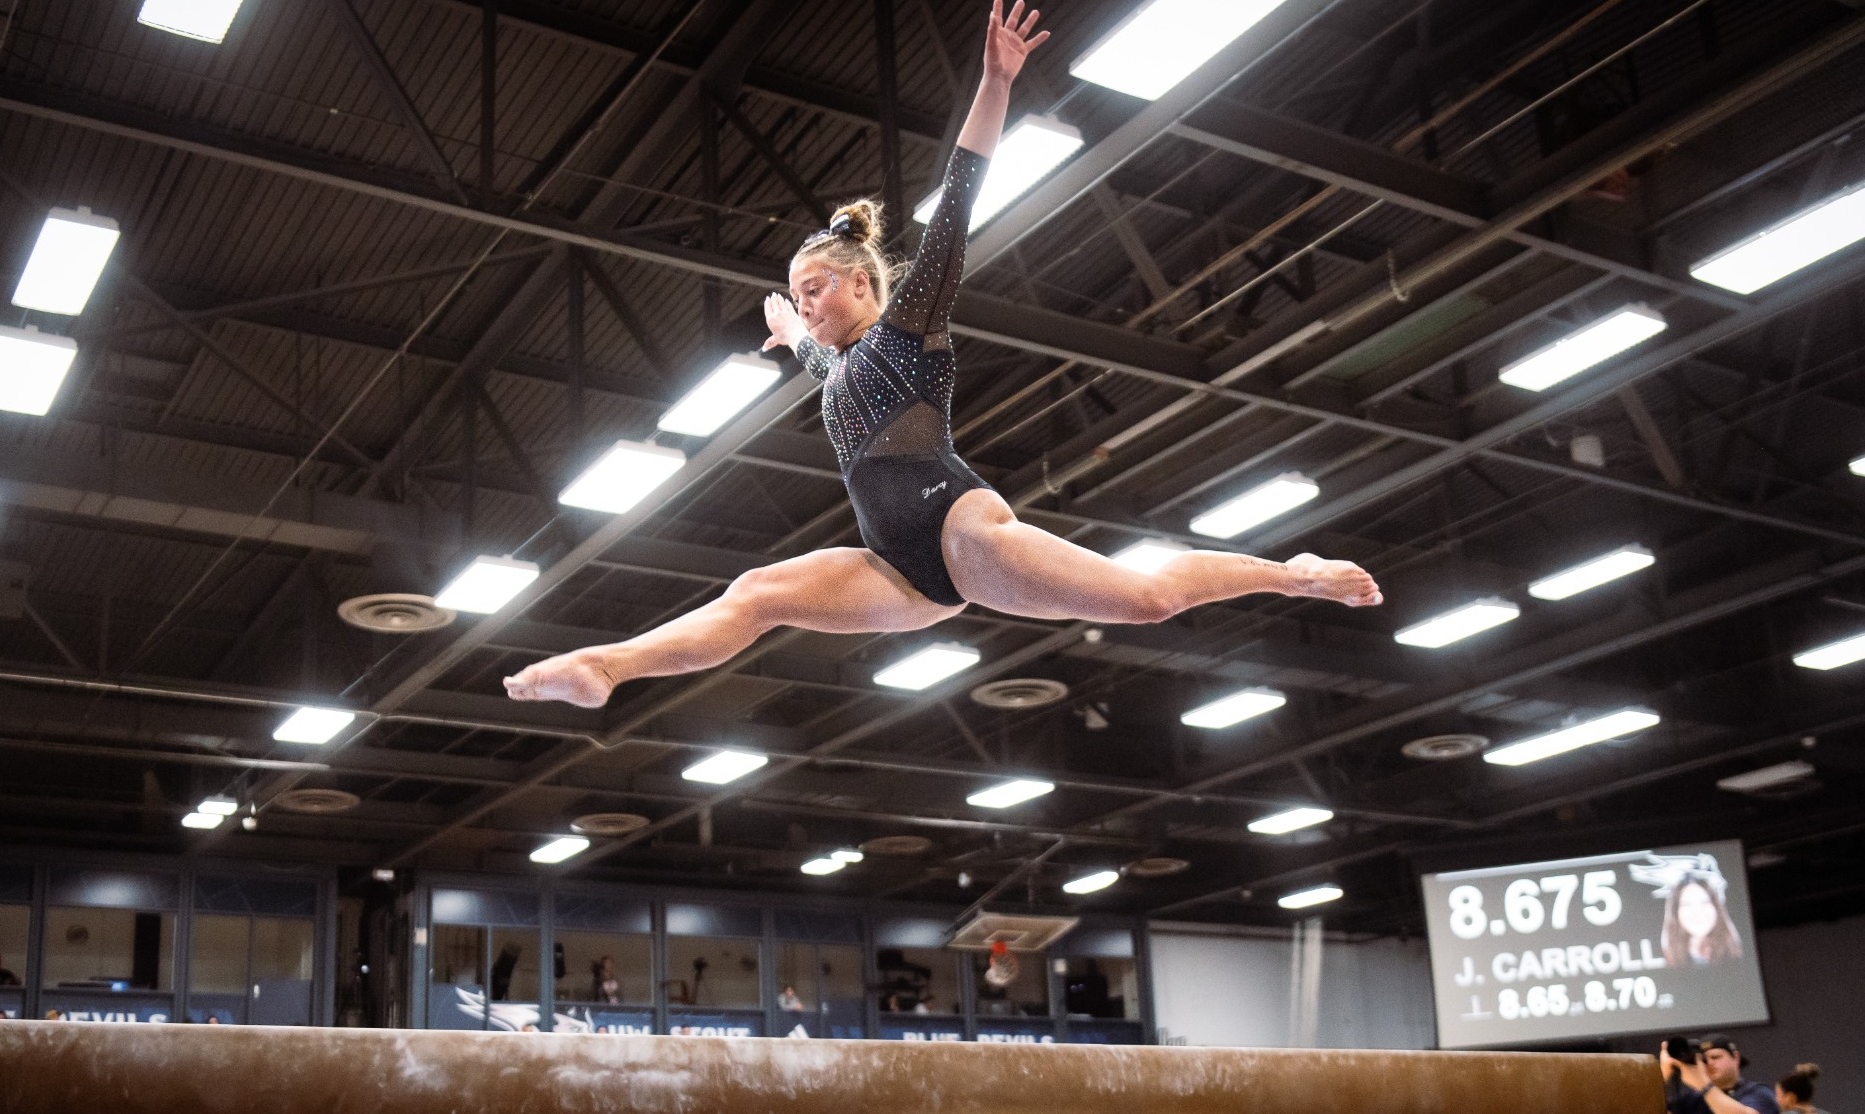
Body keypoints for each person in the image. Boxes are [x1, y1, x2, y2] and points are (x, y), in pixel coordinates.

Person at [501, 0, 1382, 709]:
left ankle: (1291, 574)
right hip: (896, 569)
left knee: (1147, 600)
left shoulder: (907, 329)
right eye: (796, 293)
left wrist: (995, 83)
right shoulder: (836, 366)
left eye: (815, 288)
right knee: (757, 593)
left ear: (862, 283)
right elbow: (826, 370)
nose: (806, 302)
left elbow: (956, 207)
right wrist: (794, 336)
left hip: (960, 527)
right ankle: (604, 667)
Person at [1632, 853, 1744, 967]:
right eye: (1687, 904)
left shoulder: (1737, 954)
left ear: (1716, 907)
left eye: (1705, 902)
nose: (1697, 911)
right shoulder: (1668, 960)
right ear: (1675, 912)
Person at [1662, 1034, 1779, 1114]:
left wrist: (1703, 1085)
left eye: (1715, 1057)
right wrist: (1662, 1076)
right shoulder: (1693, 1099)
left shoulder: (1759, 1093)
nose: (1709, 1063)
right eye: (1704, 1059)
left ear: (1736, 1057)